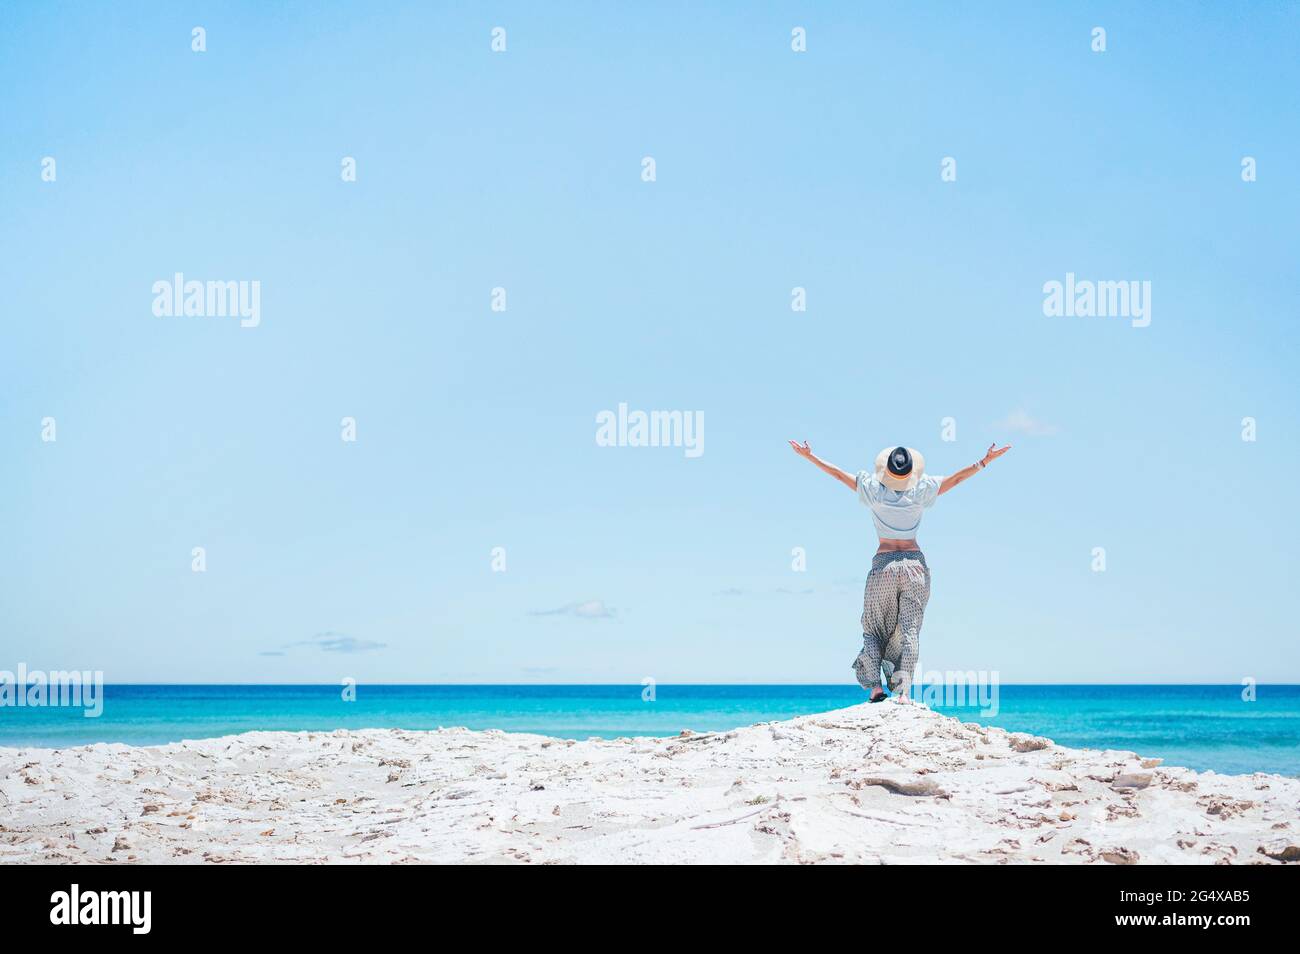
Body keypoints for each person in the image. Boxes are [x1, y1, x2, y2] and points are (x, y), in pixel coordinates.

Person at [788, 440, 1011, 702]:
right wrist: (984, 461)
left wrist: (810, 456)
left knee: (873, 628)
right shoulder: (921, 490)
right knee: (910, 630)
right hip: (914, 565)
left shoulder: (873, 489)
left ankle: (875, 688)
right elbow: (957, 480)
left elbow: (837, 474)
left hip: (884, 565)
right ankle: (903, 692)